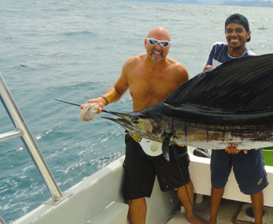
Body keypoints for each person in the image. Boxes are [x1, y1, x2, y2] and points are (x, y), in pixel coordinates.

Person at [79, 27, 205, 224]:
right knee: (135, 191)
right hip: (137, 135)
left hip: (168, 137)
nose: (157, 47)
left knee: (181, 180)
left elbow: (186, 105)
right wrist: (102, 100)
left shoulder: (179, 72)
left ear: (169, 48)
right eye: (153, 41)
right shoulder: (131, 65)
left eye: (164, 44)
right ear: (145, 42)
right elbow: (119, 89)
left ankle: (190, 214)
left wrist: (184, 135)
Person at [203, 13, 268, 224]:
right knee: (217, 181)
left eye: (239, 31)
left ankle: (258, 221)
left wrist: (241, 141)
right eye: (230, 30)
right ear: (225, 33)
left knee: (254, 185)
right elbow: (206, 87)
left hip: (246, 133)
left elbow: (256, 104)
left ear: (248, 35)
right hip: (218, 130)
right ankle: (212, 220)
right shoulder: (216, 49)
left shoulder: (254, 62)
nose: (234, 34)